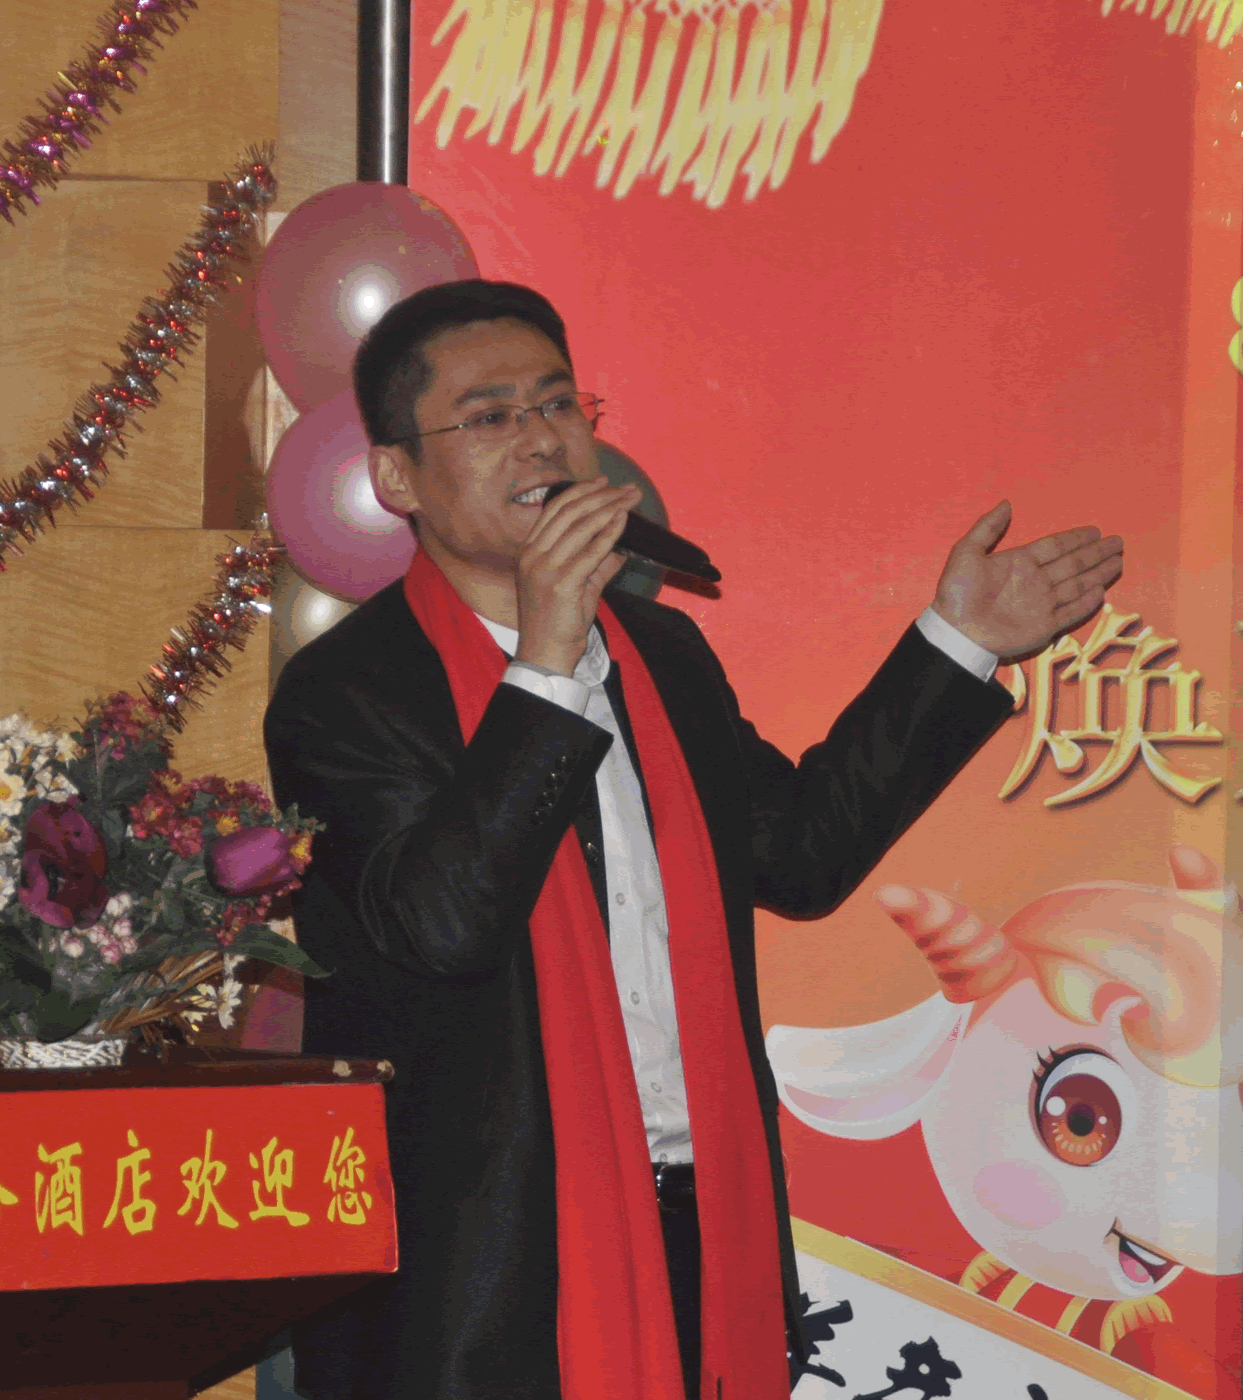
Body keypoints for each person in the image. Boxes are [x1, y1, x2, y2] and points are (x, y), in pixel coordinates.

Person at [261, 280, 1124, 1400]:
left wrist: (959, 641)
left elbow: (800, 854)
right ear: (395, 478)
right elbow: (443, 927)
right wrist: (546, 661)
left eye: (558, 404)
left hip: (696, 1225)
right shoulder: (345, 694)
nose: (540, 438)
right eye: (489, 416)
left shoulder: (661, 658)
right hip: (479, 1268)